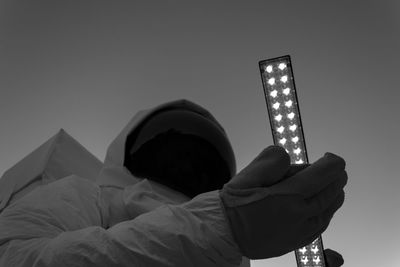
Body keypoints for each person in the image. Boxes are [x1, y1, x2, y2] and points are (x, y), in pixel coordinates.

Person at [0, 99, 346, 266]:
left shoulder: (232, 253)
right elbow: (15, 259)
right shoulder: (84, 196)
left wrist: (220, 228)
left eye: (199, 158)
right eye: (177, 151)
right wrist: (216, 227)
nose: (187, 165)